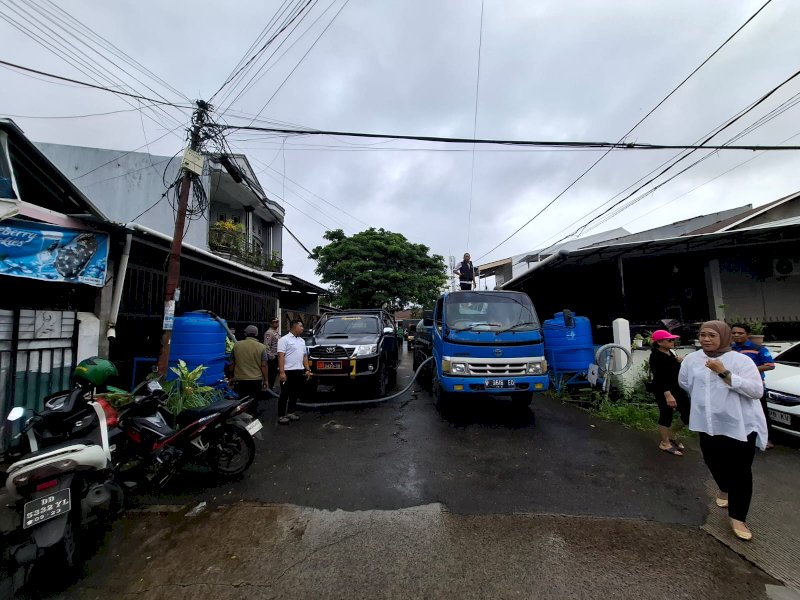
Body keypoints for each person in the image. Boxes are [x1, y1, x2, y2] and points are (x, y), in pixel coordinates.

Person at [678, 320, 767, 541]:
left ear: (724, 337)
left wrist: (725, 374)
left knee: (741, 472)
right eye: (702, 334)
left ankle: (738, 517)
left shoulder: (741, 361)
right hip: (707, 425)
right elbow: (685, 383)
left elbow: (756, 391)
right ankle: (724, 488)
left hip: (739, 425)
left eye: (712, 335)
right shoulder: (691, 360)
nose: (706, 339)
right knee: (713, 462)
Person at [731, 323, 776, 449]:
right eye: (734, 333)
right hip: (737, 386)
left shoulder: (758, 348)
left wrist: (750, 369)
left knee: (760, 414)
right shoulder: (730, 349)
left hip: (755, 388)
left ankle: (766, 440)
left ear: (748, 334)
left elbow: (770, 365)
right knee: (741, 413)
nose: (736, 335)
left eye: (740, 333)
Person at [648, 329, 690, 457]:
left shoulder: (670, 352)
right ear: (659, 342)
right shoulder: (655, 356)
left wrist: (681, 362)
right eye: (669, 340)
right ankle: (665, 443)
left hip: (677, 387)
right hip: (663, 389)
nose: (673, 342)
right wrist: (668, 395)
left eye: (673, 339)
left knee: (688, 412)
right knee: (666, 414)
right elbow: (659, 377)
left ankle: (672, 433)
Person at [277, 319, 311, 425]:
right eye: (301, 326)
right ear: (294, 326)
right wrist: (282, 372)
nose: (302, 328)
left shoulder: (302, 340)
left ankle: (291, 412)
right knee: (284, 394)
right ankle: (281, 415)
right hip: (287, 371)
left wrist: (307, 369)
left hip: (299, 370)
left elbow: (304, 356)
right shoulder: (284, 340)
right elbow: (281, 356)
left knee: (295, 393)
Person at [230, 325, 269, 414]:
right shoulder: (261, 347)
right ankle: (252, 417)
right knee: (253, 400)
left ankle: (241, 417)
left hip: (240, 379)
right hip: (255, 380)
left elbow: (232, 363)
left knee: (241, 400)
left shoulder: (236, 345)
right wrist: (266, 380)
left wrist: (231, 376)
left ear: (245, 333)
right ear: (257, 334)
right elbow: (264, 365)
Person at [264, 316, 281, 391]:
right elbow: (267, 345)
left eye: (277, 322)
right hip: (272, 357)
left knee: (274, 375)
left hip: (277, 356)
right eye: (274, 322)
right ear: (270, 324)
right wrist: (271, 356)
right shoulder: (269, 333)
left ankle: (271, 388)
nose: (276, 323)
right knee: (271, 374)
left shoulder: (276, 332)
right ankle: (268, 390)